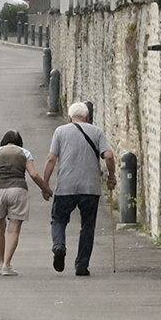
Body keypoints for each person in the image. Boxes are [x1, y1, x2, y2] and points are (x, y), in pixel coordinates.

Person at [37, 101, 115, 277]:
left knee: (59, 219)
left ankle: (59, 246)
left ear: (70, 117)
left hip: (66, 186)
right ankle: (81, 266)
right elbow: (109, 156)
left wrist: (45, 185)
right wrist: (111, 177)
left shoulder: (60, 131)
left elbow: (51, 159)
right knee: (87, 226)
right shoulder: (97, 131)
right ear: (87, 117)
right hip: (90, 188)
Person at [0, 128, 47, 275]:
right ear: (19, 142)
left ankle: (0, 262)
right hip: (18, 191)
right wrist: (45, 189)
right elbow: (34, 174)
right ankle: (7, 265)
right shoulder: (25, 153)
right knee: (14, 229)